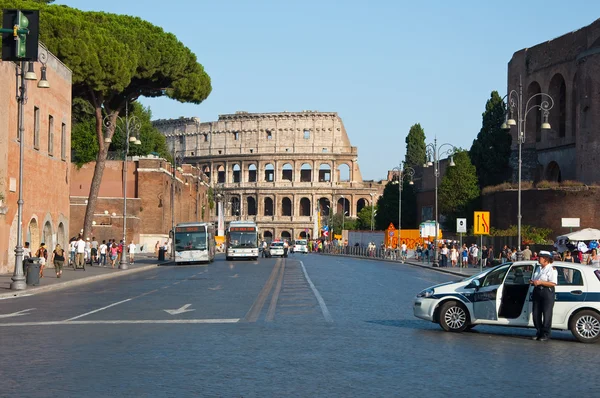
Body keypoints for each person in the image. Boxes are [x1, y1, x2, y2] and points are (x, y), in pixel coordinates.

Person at [530, 250, 558, 341]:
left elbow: (553, 283)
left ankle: (546, 334)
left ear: (546, 259)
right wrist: (533, 282)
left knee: (546, 314)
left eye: (540, 257)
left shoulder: (551, 269)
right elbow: (534, 278)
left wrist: (541, 282)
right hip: (537, 291)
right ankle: (539, 331)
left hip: (547, 292)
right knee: (536, 314)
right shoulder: (539, 268)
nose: (539, 259)